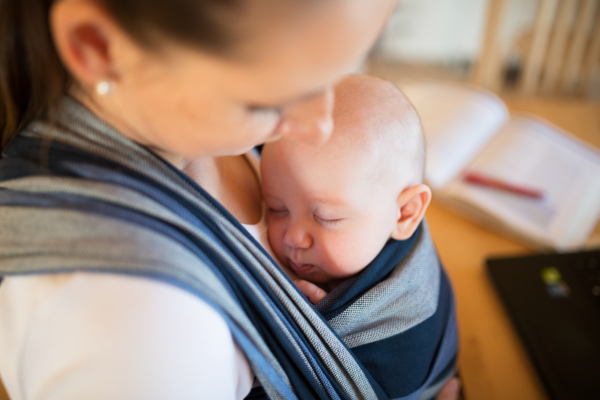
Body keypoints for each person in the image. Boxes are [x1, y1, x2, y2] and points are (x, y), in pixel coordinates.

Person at [0, 0, 459, 398]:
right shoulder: (137, 336)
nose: (321, 124)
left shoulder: (200, 130)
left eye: (335, 72)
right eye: (282, 87)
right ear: (97, 46)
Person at [261, 74, 458, 399]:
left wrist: (315, 322)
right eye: (276, 208)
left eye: (326, 217)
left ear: (406, 213)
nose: (294, 237)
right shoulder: (370, 228)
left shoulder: (401, 336)